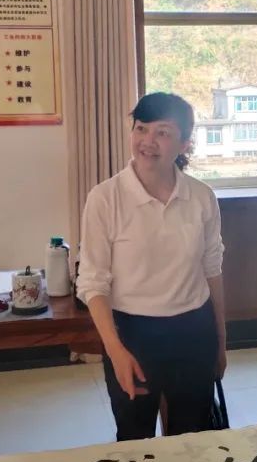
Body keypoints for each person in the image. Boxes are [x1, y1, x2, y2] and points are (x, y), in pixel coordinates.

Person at [76, 92, 226, 440]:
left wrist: (220, 342)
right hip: (132, 333)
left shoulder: (201, 197)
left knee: (193, 438)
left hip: (194, 330)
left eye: (163, 132)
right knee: (134, 438)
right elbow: (93, 282)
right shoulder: (105, 198)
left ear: (185, 144)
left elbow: (212, 270)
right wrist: (116, 351)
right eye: (141, 128)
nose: (148, 141)